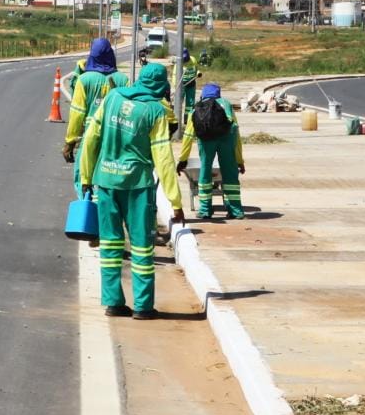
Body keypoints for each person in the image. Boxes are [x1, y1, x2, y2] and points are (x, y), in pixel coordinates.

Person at [78, 61, 183, 319]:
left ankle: (113, 302)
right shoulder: (155, 110)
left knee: (111, 246)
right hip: (138, 187)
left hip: (106, 181)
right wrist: (175, 200)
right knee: (141, 246)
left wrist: (85, 175)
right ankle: (143, 306)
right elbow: (163, 157)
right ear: (160, 85)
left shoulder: (112, 98)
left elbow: (91, 137)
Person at [181, 82, 245, 219]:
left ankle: (205, 209)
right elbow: (236, 133)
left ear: (203, 94)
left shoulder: (197, 108)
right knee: (230, 173)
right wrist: (239, 160)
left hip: (205, 142)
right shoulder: (226, 105)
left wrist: (183, 159)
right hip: (226, 140)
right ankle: (235, 210)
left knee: (204, 171)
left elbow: (187, 137)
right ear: (218, 94)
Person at [64, 37, 126, 165]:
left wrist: (70, 142)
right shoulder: (123, 80)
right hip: (114, 138)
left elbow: (77, 113)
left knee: (82, 175)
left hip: (90, 137)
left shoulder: (84, 80)